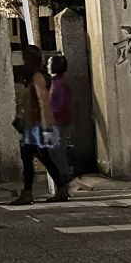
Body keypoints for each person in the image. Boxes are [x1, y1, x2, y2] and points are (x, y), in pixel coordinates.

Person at [8, 46, 67, 205]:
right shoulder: (35, 76)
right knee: (42, 158)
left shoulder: (37, 77)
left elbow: (43, 103)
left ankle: (28, 193)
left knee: (30, 158)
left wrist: (44, 127)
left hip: (36, 126)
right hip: (34, 125)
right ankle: (60, 189)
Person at [45, 53, 77, 194]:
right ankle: (63, 184)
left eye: (49, 63)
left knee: (56, 153)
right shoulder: (57, 82)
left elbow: (59, 105)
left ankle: (64, 181)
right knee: (57, 153)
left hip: (58, 122)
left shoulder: (59, 84)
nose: (47, 65)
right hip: (59, 121)